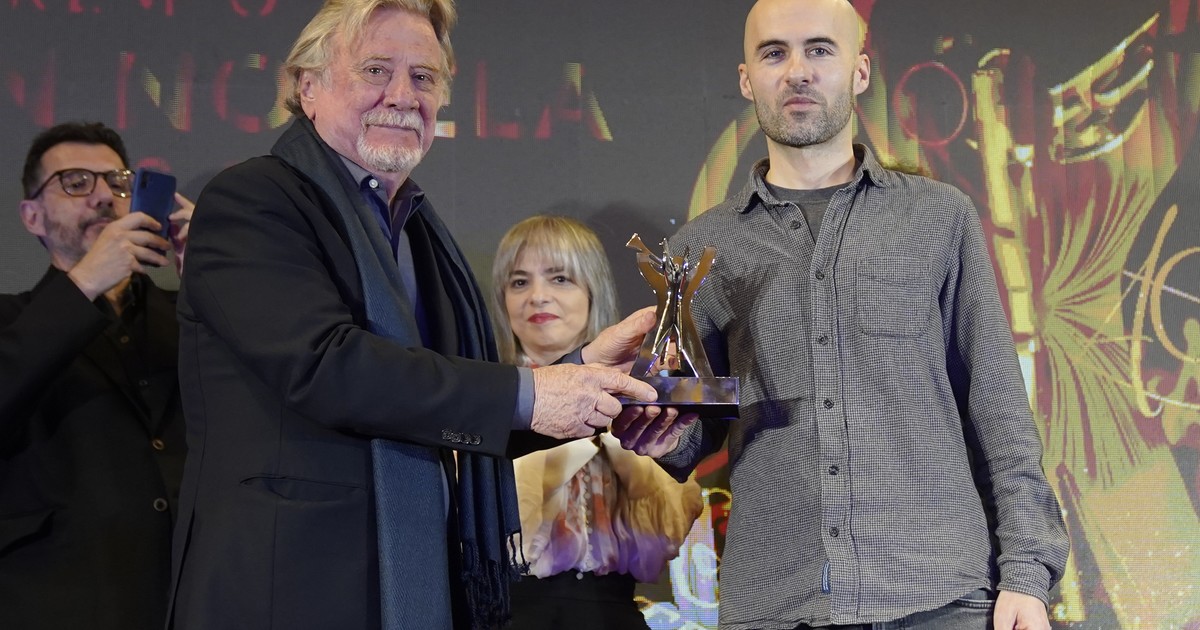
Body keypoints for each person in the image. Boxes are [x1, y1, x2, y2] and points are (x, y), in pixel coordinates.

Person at [166, 2, 660, 629]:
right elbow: (326, 366)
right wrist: (532, 394)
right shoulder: (251, 200)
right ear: (307, 87)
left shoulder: (419, 233)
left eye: (423, 77)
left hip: (411, 586)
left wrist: (581, 373)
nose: (402, 95)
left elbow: (446, 410)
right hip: (285, 590)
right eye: (375, 70)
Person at [612, 0, 1071, 629]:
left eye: (820, 49)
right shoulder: (700, 249)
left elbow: (999, 410)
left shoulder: (939, 218)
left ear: (860, 71)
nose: (797, 70)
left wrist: (1026, 573)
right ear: (746, 78)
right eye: (774, 53)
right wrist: (665, 431)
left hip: (939, 599)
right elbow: (698, 424)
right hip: (776, 604)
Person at [0, 121, 193, 629]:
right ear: (32, 216)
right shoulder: (13, 322)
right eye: (76, 182)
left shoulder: (190, 316)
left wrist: (214, 281)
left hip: (196, 599)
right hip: (61, 600)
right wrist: (85, 283)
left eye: (120, 182)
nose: (105, 196)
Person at [490, 215, 703, 629]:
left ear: (592, 289)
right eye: (519, 282)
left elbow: (672, 527)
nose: (537, 297)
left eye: (559, 278)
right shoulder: (478, 408)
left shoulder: (641, 396)